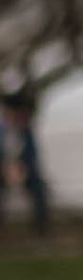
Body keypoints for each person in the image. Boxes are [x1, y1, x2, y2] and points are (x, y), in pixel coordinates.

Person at [0, 77, 48, 235]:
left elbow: (32, 156)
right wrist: (6, 168)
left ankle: (41, 227)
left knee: (39, 187)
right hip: (3, 171)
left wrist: (21, 169)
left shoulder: (26, 132)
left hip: (23, 171)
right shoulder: (2, 130)